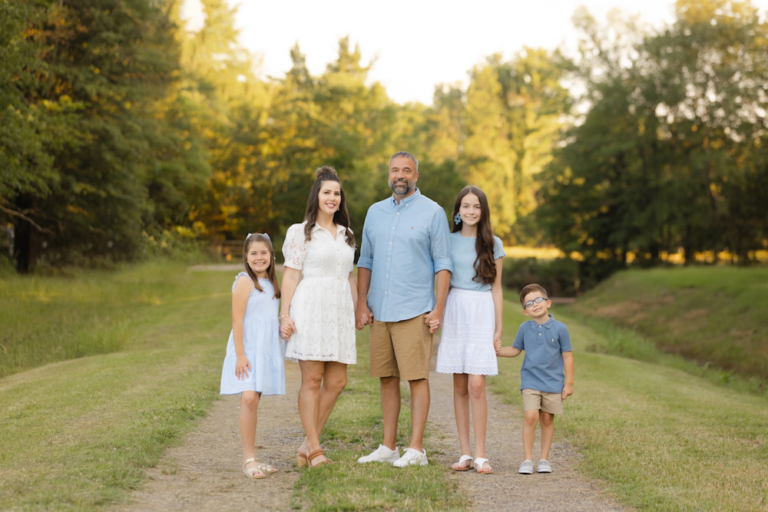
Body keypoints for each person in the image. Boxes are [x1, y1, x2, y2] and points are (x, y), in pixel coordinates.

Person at [356, 151, 452, 467]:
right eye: (395, 170)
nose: (401, 175)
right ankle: (389, 447)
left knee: (416, 378)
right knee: (386, 377)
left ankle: (416, 449)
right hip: (381, 309)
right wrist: (361, 302)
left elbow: (443, 264)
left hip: (415, 309)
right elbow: (365, 260)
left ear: (416, 176)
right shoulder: (375, 211)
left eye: (407, 170)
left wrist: (438, 309)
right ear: (389, 174)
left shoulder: (433, 212)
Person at [280, 166, 357, 468]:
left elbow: (349, 277)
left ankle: (306, 444)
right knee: (312, 380)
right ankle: (314, 449)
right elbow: (290, 276)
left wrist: (357, 308)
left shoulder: (348, 235)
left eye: (337, 193)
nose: (333, 198)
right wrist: (284, 316)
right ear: (317, 195)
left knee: (337, 381)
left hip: (338, 313)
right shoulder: (301, 232)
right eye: (327, 192)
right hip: (310, 308)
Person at [435, 186, 505, 474]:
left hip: (481, 311)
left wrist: (499, 328)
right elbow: (440, 281)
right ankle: (464, 452)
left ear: (483, 211)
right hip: (455, 309)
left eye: (476, 206)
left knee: (477, 383)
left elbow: (497, 289)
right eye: (466, 206)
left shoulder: (493, 243)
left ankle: (481, 454)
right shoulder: (447, 242)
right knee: (461, 384)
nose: (471, 211)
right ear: (457, 211)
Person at [220, 233, 284, 479]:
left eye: (264, 252)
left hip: (265, 350)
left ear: (271, 255)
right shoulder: (245, 281)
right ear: (246, 257)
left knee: (254, 401)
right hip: (246, 350)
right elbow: (237, 320)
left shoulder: (271, 283)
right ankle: (248, 459)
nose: (259, 257)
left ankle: (254, 458)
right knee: (248, 399)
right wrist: (240, 355)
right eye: (254, 253)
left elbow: (268, 319)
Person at [496, 283, 574, 475]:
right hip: (530, 381)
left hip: (553, 383)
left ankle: (544, 459)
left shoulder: (560, 328)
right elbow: (515, 350)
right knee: (530, 416)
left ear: (548, 303)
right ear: (525, 311)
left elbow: (567, 356)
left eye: (538, 300)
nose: (535, 304)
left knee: (547, 418)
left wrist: (569, 383)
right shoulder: (524, 328)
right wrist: (495, 351)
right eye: (529, 303)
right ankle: (527, 459)